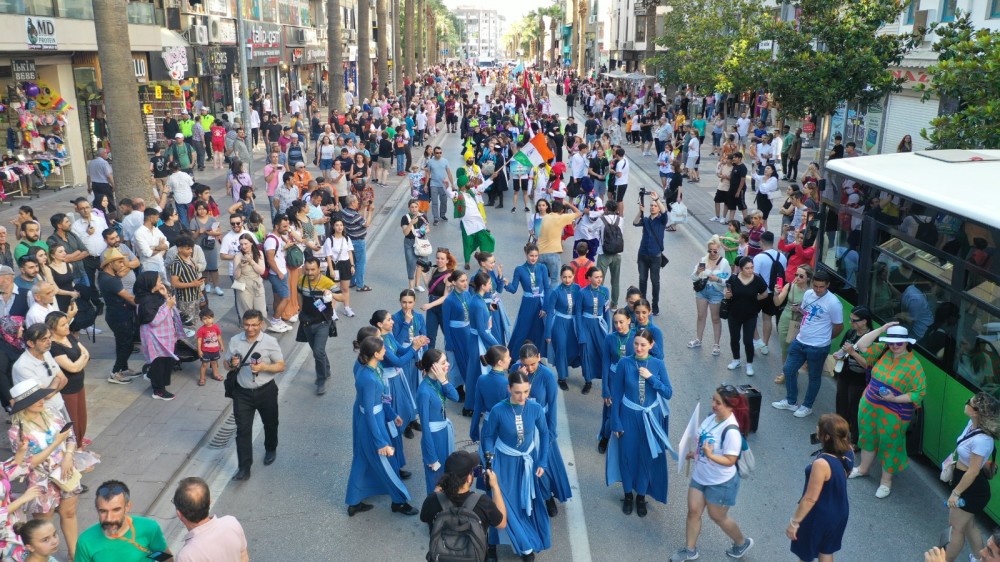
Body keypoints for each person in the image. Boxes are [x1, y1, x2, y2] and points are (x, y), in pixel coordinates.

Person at [671, 385, 754, 562]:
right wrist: (696, 453)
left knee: (718, 517)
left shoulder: (732, 431)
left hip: (721, 483)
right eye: (713, 399)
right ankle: (690, 551)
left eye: (718, 402)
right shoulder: (711, 418)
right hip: (701, 475)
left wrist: (709, 455)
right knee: (693, 511)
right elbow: (705, 441)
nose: (713, 404)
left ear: (730, 407)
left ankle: (741, 542)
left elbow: (730, 460)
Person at [847, 323, 926, 499]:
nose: (895, 346)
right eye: (891, 342)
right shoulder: (883, 351)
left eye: (899, 343)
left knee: (889, 445)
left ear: (906, 343)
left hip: (894, 413)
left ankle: (886, 482)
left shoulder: (914, 365)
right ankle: (863, 469)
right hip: (869, 405)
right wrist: (882, 329)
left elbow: (918, 393)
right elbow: (861, 345)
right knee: (867, 437)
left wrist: (894, 399)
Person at [481, 372, 551, 561]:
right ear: (509, 389)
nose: (523, 397)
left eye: (526, 391)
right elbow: (487, 435)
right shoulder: (498, 410)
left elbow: (545, 434)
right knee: (500, 503)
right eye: (518, 392)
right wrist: (489, 458)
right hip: (504, 463)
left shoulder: (535, 408)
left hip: (527, 462)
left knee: (522, 504)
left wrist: (542, 461)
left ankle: (524, 540)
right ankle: (493, 546)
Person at [345, 335, 416, 516]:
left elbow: (377, 401)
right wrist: (380, 443)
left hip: (368, 421)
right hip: (372, 423)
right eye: (383, 349)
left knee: (360, 460)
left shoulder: (366, 368)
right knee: (388, 463)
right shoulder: (369, 377)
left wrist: (392, 414)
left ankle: (353, 501)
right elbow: (370, 411)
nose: (386, 351)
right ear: (376, 354)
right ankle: (398, 502)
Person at [8, 379, 79, 560]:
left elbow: (70, 436)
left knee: (69, 513)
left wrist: (69, 456)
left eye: (41, 397)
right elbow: (27, 463)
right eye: (36, 399)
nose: (42, 400)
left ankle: (76, 555)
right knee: (44, 527)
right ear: (24, 404)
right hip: (41, 481)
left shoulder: (52, 413)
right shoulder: (17, 431)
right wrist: (56, 442)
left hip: (66, 471)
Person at [772, 270, 845, 418]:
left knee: (814, 377)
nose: (818, 289)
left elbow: (839, 326)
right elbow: (806, 313)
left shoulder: (834, 303)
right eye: (816, 286)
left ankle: (807, 406)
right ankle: (791, 401)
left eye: (822, 287)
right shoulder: (808, 294)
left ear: (828, 285)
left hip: (818, 347)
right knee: (788, 369)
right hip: (800, 340)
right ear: (812, 283)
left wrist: (825, 339)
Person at [225, 309, 285, 481]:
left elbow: (281, 366)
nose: (250, 328)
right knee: (243, 431)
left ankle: (270, 448)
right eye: (246, 325)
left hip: (266, 390)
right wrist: (231, 363)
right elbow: (226, 364)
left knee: (270, 423)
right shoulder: (235, 340)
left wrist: (264, 367)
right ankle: (244, 467)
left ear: (260, 324)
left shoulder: (270, 342)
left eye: (254, 325)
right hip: (242, 393)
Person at [786, 414, 854, 562]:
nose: (816, 429)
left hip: (819, 514)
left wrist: (794, 522)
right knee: (826, 550)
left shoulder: (822, 464)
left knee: (805, 554)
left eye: (819, 428)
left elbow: (810, 498)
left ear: (827, 437)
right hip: (840, 511)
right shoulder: (848, 450)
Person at [941, 393, 999, 562]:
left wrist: (956, 493)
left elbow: (973, 471)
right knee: (969, 525)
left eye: (970, 402)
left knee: (956, 528)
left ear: (976, 412)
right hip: (966, 483)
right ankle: (980, 558)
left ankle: (944, 560)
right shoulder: (972, 425)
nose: (966, 403)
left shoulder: (983, 440)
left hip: (971, 489)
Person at [419, 450, 507, 562]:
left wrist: (440, 486)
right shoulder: (483, 503)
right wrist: (495, 486)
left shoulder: (432, 500)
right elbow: (502, 523)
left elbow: (424, 518)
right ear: (469, 478)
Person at [75, 480, 169, 562]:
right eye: (103, 511)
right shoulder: (85, 541)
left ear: (127, 507)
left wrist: (147, 555)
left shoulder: (149, 528)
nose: (109, 519)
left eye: (116, 510)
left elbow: (164, 557)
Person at [372, 309, 428, 442]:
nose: (392, 321)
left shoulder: (388, 336)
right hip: (389, 381)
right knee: (396, 408)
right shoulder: (380, 342)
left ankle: (406, 425)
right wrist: (414, 348)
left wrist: (416, 344)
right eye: (389, 320)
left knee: (406, 404)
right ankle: (395, 434)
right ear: (380, 324)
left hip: (397, 376)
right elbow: (398, 361)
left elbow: (401, 350)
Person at [414, 349, 460, 494]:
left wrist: (444, 380)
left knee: (447, 473)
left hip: (444, 433)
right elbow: (425, 427)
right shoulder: (424, 391)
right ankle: (435, 511)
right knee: (435, 477)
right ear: (434, 367)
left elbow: (456, 397)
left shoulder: (438, 382)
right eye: (443, 362)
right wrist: (431, 456)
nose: (448, 364)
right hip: (434, 438)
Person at [172, 477, 250, 562]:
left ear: (179, 514)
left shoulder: (185, 556)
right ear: (209, 501)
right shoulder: (231, 522)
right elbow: (243, 555)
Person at [45, 311, 90, 446]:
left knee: (82, 417)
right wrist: (82, 360)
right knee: (72, 419)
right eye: (62, 325)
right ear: (53, 329)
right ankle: (75, 447)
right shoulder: (54, 347)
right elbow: (72, 368)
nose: (67, 327)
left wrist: (80, 362)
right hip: (67, 389)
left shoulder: (69, 336)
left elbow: (87, 352)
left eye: (66, 323)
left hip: (79, 384)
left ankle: (80, 442)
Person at [298, 257, 341, 395]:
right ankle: (326, 369)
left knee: (317, 351)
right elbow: (299, 295)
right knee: (318, 351)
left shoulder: (327, 282)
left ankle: (321, 380)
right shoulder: (301, 280)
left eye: (313, 270)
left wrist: (331, 294)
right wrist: (300, 309)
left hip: (323, 322)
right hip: (307, 322)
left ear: (319, 269)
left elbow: (342, 296)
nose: (309, 273)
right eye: (307, 269)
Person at [832, 305, 872, 445]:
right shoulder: (851, 333)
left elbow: (869, 365)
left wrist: (853, 353)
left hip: (859, 380)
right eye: (850, 319)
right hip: (845, 374)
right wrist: (839, 354)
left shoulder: (872, 339)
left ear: (864, 321)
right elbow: (843, 350)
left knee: (854, 409)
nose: (851, 323)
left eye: (854, 320)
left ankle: (855, 440)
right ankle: (839, 434)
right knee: (841, 405)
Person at [723, 257, 768, 376]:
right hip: (734, 314)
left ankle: (749, 364)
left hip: (750, 315)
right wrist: (727, 295)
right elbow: (728, 293)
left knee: (748, 341)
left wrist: (755, 299)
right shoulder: (733, 278)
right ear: (741, 269)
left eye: (752, 267)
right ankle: (736, 360)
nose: (750, 270)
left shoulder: (757, 279)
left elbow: (764, 293)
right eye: (747, 268)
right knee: (734, 338)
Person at [688, 236, 730, 357]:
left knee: (715, 319)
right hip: (702, 291)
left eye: (715, 251)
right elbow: (693, 277)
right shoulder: (703, 259)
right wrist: (698, 272)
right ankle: (698, 339)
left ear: (719, 250)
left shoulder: (724, 263)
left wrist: (717, 279)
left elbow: (727, 280)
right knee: (701, 316)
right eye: (710, 250)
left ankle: (716, 344)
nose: (712, 253)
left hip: (716, 292)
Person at [506, 244, 550, 358]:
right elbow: (513, 289)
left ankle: (536, 358)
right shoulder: (519, 269)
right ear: (526, 254)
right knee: (522, 330)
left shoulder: (542, 268)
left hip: (540, 303)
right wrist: (505, 284)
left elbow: (547, 288)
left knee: (538, 331)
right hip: (527, 303)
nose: (534, 258)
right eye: (531, 255)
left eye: (536, 255)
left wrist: (545, 307)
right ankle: (514, 357)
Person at [773, 265, 814, 384]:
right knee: (785, 349)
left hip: (802, 324)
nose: (797, 277)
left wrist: (800, 310)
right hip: (786, 320)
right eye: (796, 274)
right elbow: (777, 303)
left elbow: (814, 313)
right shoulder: (790, 286)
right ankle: (786, 372)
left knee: (795, 350)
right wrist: (776, 293)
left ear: (808, 278)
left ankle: (792, 371)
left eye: (801, 276)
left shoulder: (811, 292)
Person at [545, 266, 581, 390]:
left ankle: (566, 367)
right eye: (564, 277)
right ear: (561, 277)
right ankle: (562, 377)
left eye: (570, 277)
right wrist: (548, 333)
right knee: (561, 348)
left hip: (574, 324)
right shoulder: (556, 291)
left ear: (573, 276)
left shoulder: (577, 288)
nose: (567, 279)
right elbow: (550, 312)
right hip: (559, 323)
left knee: (573, 349)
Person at [634, 189, 668, 316]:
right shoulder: (646, 220)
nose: (653, 207)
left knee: (655, 281)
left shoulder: (662, 220)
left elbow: (665, 211)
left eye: (655, 206)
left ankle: (655, 305)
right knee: (642, 280)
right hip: (642, 254)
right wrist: (640, 212)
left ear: (658, 208)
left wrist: (657, 199)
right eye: (651, 206)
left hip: (655, 256)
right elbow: (636, 222)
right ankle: (643, 304)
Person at [577, 267, 611, 394]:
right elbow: (578, 313)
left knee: (604, 352)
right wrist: (580, 332)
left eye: (601, 277)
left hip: (600, 326)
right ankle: (588, 381)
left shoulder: (605, 291)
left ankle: (607, 380)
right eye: (596, 277)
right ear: (589, 278)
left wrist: (608, 329)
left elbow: (606, 312)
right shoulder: (582, 293)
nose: (599, 280)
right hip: (586, 325)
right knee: (587, 352)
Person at [537, 200, 581, 286]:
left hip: (540, 252)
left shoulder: (545, 217)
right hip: (553, 253)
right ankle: (552, 299)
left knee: (540, 279)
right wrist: (568, 204)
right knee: (554, 280)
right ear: (562, 211)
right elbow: (578, 212)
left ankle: (541, 298)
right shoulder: (561, 218)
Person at [322, 218, 357, 318]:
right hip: (335, 265)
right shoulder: (330, 240)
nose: (339, 227)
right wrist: (331, 270)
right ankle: (332, 311)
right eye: (337, 225)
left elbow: (350, 252)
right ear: (333, 227)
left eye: (341, 225)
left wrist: (352, 265)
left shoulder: (346, 238)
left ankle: (347, 308)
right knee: (334, 289)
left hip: (346, 265)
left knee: (345, 288)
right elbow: (328, 256)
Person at [423, 249, 456, 349]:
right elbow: (430, 288)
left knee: (448, 334)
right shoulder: (434, 270)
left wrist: (430, 305)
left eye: (442, 259)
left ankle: (453, 356)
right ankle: (430, 359)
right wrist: (423, 274)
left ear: (447, 260)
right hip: (432, 307)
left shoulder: (449, 276)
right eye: (437, 258)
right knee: (430, 336)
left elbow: (445, 297)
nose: (439, 260)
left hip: (443, 308)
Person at [475, 252, 510, 347]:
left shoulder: (491, 272)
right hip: (486, 309)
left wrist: (500, 275)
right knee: (493, 333)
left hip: (495, 306)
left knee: (500, 332)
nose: (493, 264)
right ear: (482, 263)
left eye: (494, 262)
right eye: (491, 263)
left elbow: (499, 290)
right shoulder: (476, 277)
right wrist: (486, 306)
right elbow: (473, 299)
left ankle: (502, 354)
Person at [232, 234, 267, 321]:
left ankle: (261, 332)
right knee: (246, 311)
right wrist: (240, 266)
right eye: (241, 244)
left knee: (261, 311)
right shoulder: (238, 256)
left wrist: (251, 261)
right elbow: (236, 276)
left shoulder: (259, 253)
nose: (243, 246)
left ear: (251, 243)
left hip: (257, 284)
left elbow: (262, 271)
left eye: (246, 243)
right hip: (243, 285)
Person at [401, 200, 430, 292]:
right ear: (409, 208)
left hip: (421, 242)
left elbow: (428, 228)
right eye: (412, 207)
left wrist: (423, 231)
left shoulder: (423, 216)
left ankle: (417, 284)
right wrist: (411, 223)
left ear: (418, 207)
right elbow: (405, 233)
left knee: (420, 263)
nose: (414, 209)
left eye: (415, 207)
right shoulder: (405, 218)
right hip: (410, 242)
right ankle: (411, 287)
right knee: (411, 263)